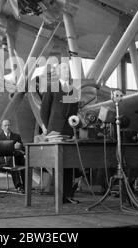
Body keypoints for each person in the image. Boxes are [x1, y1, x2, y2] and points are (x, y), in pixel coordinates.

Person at [40, 62, 80, 204]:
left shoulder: (73, 90)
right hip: (54, 132)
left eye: (68, 69)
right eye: (64, 68)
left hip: (68, 131)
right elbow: (44, 111)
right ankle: (59, 196)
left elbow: (73, 111)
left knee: (69, 164)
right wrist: (49, 127)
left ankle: (67, 195)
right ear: (58, 71)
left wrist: (74, 129)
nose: (67, 71)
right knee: (57, 164)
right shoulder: (52, 88)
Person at [0, 119, 25, 192]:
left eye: (8, 125)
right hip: (3, 160)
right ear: (2, 127)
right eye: (5, 125)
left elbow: (23, 149)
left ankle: (26, 185)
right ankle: (19, 186)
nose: (7, 127)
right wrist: (13, 147)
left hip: (17, 158)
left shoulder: (17, 136)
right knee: (12, 161)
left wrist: (19, 147)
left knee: (25, 161)